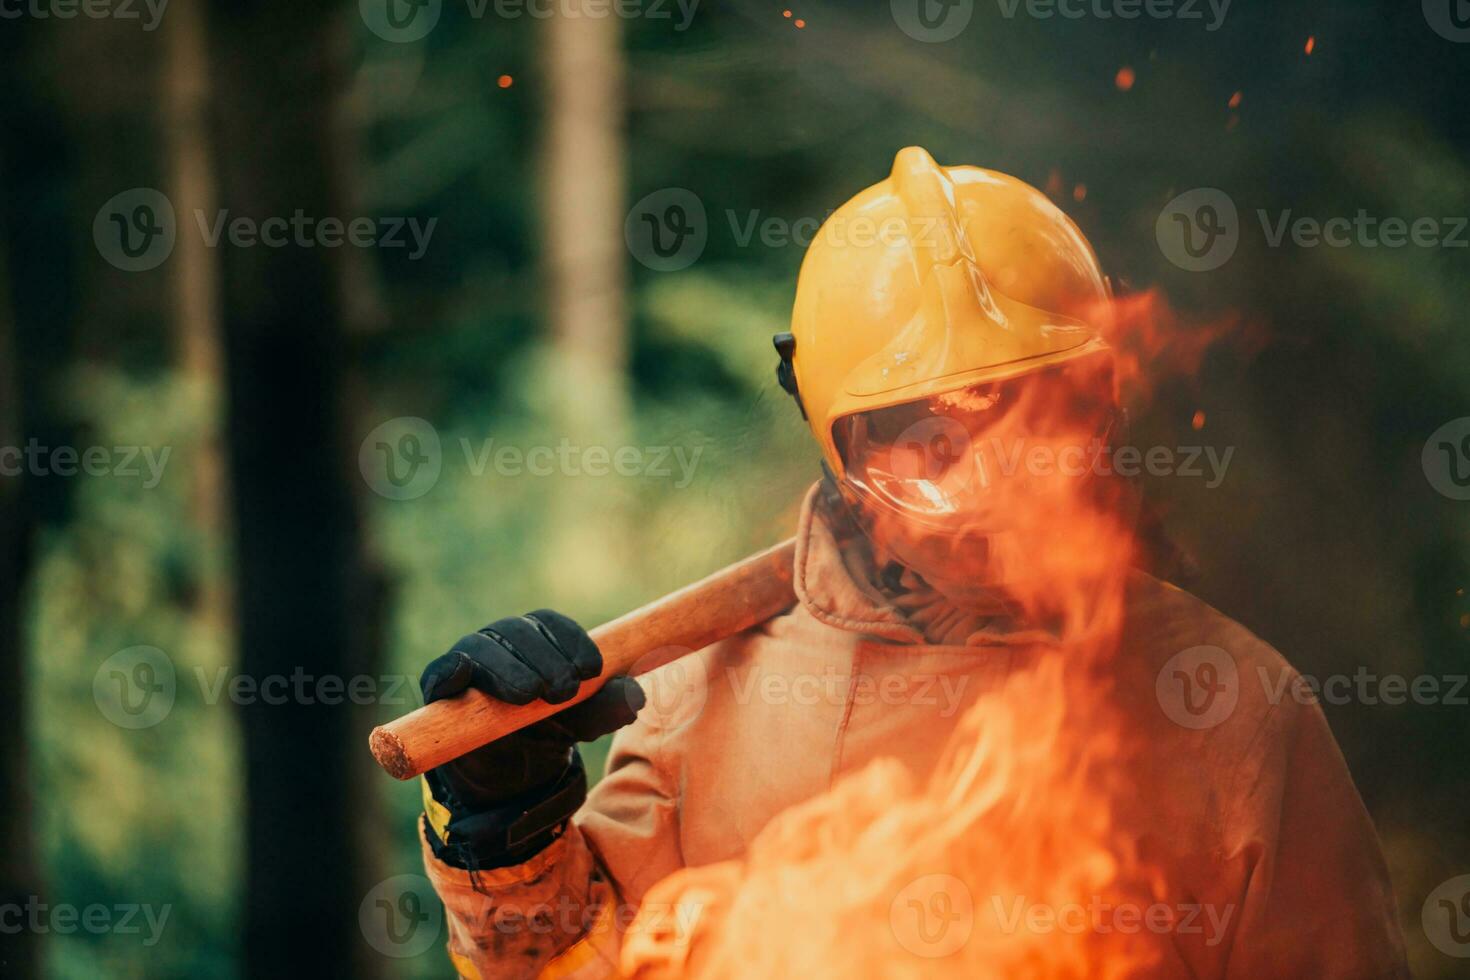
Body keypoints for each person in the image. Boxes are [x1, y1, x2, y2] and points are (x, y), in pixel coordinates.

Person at [415, 148, 1406, 979]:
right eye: (925, 445)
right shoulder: (693, 703)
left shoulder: (1229, 706)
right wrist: (506, 835)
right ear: (830, 438)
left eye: (1033, 429)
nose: (986, 497)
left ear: (1104, 408)